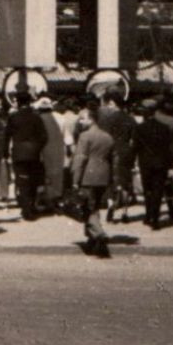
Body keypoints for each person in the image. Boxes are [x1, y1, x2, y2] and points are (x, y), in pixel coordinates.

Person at [71, 105, 116, 258]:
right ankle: (91, 240)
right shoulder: (107, 136)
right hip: (103, 175)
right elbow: (112, 158)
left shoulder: (85, 136)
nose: (80, 122)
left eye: (82, 119)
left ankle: (99, 234)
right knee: (95, 206)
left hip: (88, 176)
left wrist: (75, 180)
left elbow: (80, 159)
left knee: (88, 208)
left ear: (90, 119)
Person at [131, 99, 173, 229]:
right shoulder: (164, 128)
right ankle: (156, 218)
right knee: (158, 190)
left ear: (145, 113)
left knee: (147, 190)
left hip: (145, 163)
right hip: (161, 164)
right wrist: (170, 165)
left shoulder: (140, 128)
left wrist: (132, 163)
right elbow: (168, 149)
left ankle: (148, 215)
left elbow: (135, 147)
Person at [5, 95, 47, 222]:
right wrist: (37, 147)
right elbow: (44, 137)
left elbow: (6, 136)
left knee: (22, 181)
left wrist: (4, 153)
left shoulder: (13, 117)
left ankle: (25, 208)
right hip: (34, 154)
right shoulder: (36, 117)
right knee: (33, 181)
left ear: (18, 103)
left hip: (18, 153)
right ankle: (32, 206)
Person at [96, 91, 136, 224]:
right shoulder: (130, 119)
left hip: (111, 152)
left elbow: (103, 137)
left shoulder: (107, 120)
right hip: (126, 152)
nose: (108, 107)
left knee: (111, 181)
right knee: (125, 182)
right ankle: (125, 212)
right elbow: (133, 139)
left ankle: (111, 206)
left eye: (108, 104)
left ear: (113, 103)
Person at [37, 97, 66, 213]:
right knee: (57, 174)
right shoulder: (60, 118)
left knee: (44, 174)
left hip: (44, 149)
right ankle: (55, 199)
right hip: (57, 148)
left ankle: (45, 200)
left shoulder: (38, 118)